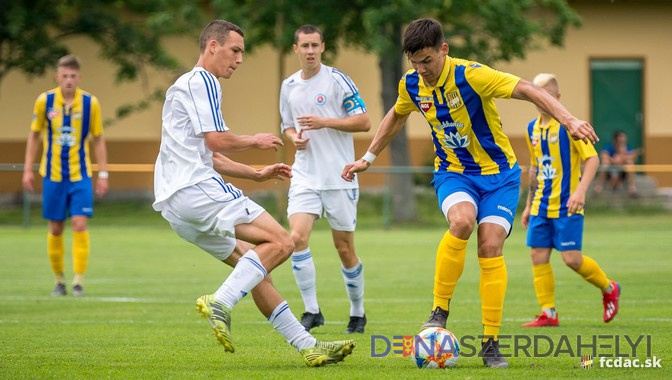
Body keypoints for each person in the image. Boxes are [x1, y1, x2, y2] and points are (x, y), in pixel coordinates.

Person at [342, 18, 599, 368]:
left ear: (443, 50)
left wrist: (569, 120)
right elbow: (396, 116)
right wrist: (368, 157)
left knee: (490, 244)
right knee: (462, 221)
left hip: (500, 176)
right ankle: (439, 311)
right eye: (414, 63)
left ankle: (490, 342)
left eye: (427, 61)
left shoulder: (472, 75)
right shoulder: (412, 84)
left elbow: (530, 90)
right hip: (454, 173)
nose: (422, 70)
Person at [152, 20, 355, 367]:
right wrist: (255, 141)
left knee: (257, 267)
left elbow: (209, 154)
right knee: (283, 242)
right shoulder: (204, 81)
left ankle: (309, 345)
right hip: (196, 189)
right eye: (235, 50)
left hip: (175, 205)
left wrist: (255, 174)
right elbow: (218, 141)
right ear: (212, 46)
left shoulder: (182, 85)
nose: (240, 59)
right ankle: (222, 300)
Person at [279, 25, 371, 334]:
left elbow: (364, 121)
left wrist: (324, 122)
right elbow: (287, 125)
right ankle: (312, 310)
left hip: (339, 176)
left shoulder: (337, 81)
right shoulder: (288, 86)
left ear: (322, 47)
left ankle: (357, 313)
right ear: (295, 49)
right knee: (296, 239)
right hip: (305, 175)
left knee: (344, 249)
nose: (309, 51)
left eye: (314, 45)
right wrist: (294, 138)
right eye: (304, 45)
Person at [520, 73, 620, 328]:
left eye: (547, 95)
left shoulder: (570, 125)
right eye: (537, 95)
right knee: (538, 255)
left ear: (557, 97)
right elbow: (535, 167)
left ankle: (609, 288)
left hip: (568, 204)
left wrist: (581, 191)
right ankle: (548, 313)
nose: (542, 101)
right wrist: (529, 204)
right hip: (542, 204)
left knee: (572, 259)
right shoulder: (532, 129)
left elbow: (593, 159)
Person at [22, 54, 109, 297]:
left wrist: (103, 173)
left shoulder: (91, 103)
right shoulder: (44, 101)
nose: (69, 79)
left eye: (73, 76)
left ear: (79, 77)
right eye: (65, 75)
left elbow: (98, 138)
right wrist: (27, 169)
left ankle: (78, 281)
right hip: (52, 175)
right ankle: (59, 281)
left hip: (80, 175)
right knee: (56, 227)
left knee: (80, 224)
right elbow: (34, 135)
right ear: (57, 76)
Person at [594, 130, 640, 196]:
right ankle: (599, 185)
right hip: (610, 171)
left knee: (630, 163)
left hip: (623, 172)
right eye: (621, 138)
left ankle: (632, 187)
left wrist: (621, 158)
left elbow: (632, 157)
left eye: (624, 138)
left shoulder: (627, 147)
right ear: (616, 139)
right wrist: (614, 160)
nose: (623, 140)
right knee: (605, 162)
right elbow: (603, 155)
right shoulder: (609, 146)